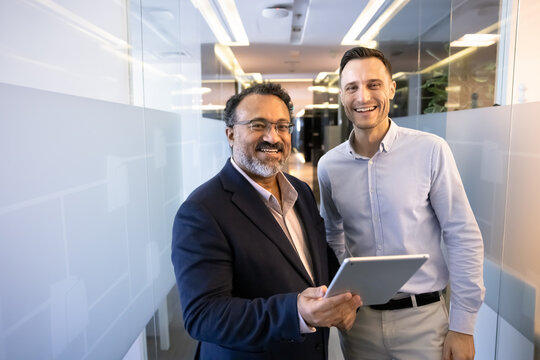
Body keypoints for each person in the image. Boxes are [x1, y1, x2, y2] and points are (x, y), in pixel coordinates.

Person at [171, 82, 362, 360]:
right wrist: (295, 312)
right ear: (230, 134)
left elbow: (316, 265)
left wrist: (346, 297)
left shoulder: (302, 192)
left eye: (283, 126)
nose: (273, 137)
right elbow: (204, 315)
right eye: (258, 125)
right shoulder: (202, 211)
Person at [317, 47, 485, 360]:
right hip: (359, 323)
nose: (362, 96)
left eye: (373, 84)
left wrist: (463, 327)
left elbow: (462, 235)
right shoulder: (329, 166)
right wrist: (348, 279)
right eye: (352, 87)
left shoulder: (430, 150)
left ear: (392, 88)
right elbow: (331, 233)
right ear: (341, 95)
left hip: (424, 321)